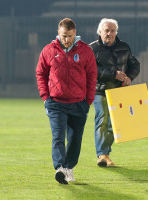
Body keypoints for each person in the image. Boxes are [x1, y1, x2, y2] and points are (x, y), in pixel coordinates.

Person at [36, 18, 97, 184]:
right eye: (63, 36)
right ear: (58, 33)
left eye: (70, 36)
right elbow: (40, 73)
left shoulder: (85, 51)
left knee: (75, 138)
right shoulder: (48, 50)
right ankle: (60, 168)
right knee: (57, 137)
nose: (67, 39)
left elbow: (92, 76)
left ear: (75, 33)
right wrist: (46, 97)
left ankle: (69, 167)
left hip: (79, 103)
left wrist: (88, 100)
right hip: (56, 103)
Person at [89, 18, 140, 167]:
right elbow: (91, 70)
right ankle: (102, 154)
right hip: (99, 90)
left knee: (114, 124)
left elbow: (135, 65)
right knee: (102, 119)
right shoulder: (91, 48)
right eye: (106, 30)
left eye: (112, 31)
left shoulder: (124, 47)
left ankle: (105, 153)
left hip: (119, 92)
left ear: (116, 32)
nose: (109, 33)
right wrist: (113, 73)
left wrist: (130, 77)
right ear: (99, 31)